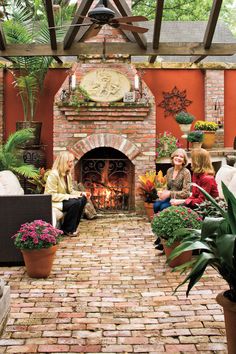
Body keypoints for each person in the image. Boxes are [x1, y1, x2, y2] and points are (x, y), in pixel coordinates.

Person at [44, 151, 89, 237]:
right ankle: (68, 229)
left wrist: (82, 193)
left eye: (72, 161)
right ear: (64, 162)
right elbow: (51, 195)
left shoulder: (67, 174)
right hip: (54, 202)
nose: (72, 164)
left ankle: (73, 228)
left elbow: (71, 191)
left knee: (83, 199)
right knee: (76, 202)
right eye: (70, 161)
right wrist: (69, 197)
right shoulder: (53, 175)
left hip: (63, 199)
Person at [153, 148, 191, 213]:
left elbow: (186, 193)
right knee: (156, 205)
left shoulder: (186, 172)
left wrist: (170, 193)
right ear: (173, 158)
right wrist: (161, 192)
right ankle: (158, 222)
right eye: (176, 156)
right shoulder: (169, 170)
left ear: (184, 161)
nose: (178, 158)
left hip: (179, 200)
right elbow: (166, 186)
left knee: (163, 207)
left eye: (181, 157)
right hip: (169, 199)